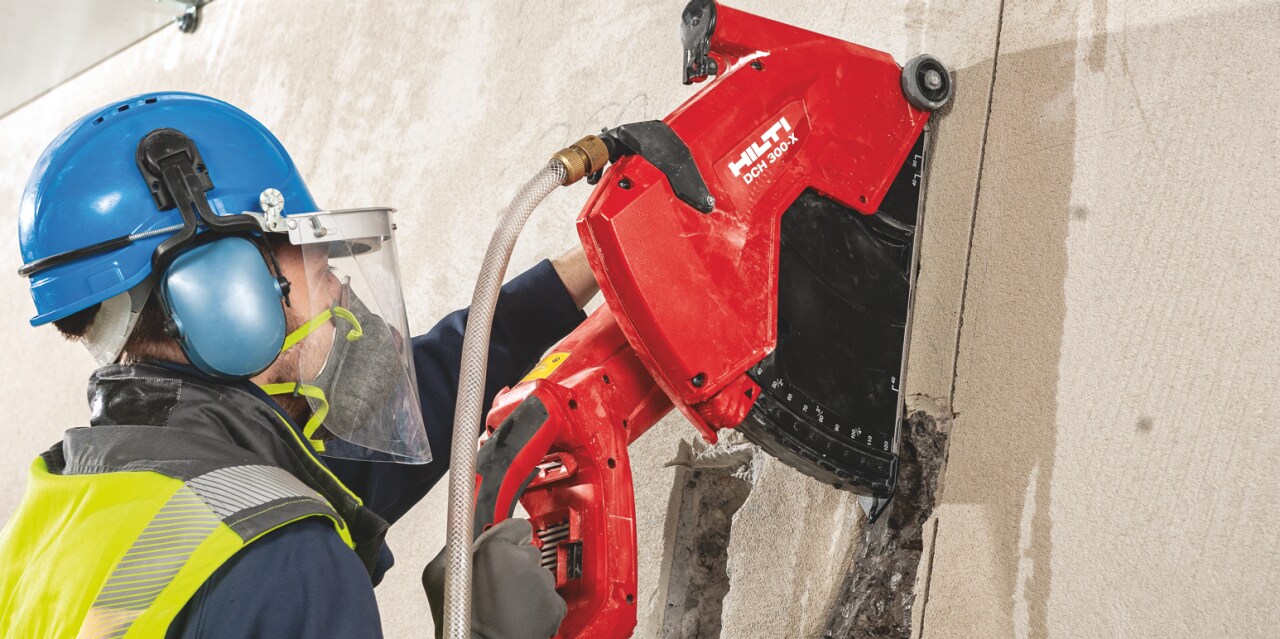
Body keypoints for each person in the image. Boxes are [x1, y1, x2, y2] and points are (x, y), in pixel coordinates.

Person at [0, 92, 586, 638]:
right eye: (323, 271)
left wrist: (587, 268)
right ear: (226, 294)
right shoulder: (286, 558)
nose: (340, 294)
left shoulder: (62, 517)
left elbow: (385, 437)